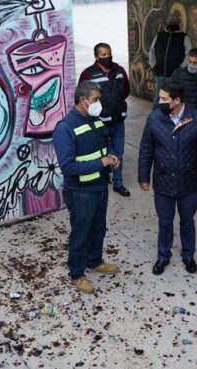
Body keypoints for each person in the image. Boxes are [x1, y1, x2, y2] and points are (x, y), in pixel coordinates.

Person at [138, 79, 197, 275]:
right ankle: (163, 256)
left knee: (187, 220)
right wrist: (143, 176)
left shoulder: (196, 118)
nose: (159, 101)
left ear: (177, 100)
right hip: (163, 181)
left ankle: (188, 254)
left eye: (164, 98)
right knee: (165, 221)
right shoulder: (154, 118)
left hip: (189, 181)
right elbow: (146, 149)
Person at [53, 81, 120, 294]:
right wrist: (101, 163)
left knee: (99, 228)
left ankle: (95, 261)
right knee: (81, 232)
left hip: (100, 186)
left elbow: (105, 143)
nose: (98, 104)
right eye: (96, 100)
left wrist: (111, 155)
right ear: (83, 100)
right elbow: (68, 166)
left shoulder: (96, 121)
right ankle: (77, 273)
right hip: (81, 191)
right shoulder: (65, 128)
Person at [79, 42, 132, 197]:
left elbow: (126, 91)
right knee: (101, 152)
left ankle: (118, 183)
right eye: (103, 55)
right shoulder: (88, 74)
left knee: (119, 152)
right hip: (99, 122)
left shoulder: (120, 71)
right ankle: (103, 177)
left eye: (108, 53)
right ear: (96, 56)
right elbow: (83, 97)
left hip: (118, 120)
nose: (107, 57)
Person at [149, 14, 191, 109]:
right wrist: (154, 64)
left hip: (174, 75)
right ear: (167, 23)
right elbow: (152, 50)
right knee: (158, 96)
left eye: (174, 22)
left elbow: (189, 53)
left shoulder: (183, 37)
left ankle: (169, 115)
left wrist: (181, 68)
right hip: (159, 74)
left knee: (171, 97)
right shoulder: (159, 36)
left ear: (178, 24)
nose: (172, 24)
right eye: (170, 22)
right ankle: (155, 116)